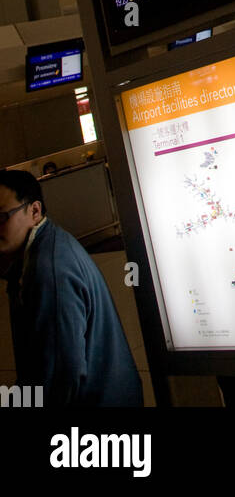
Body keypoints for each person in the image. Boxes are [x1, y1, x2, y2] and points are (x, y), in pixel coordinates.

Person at [0, 169, 142, 406]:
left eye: (2, 217)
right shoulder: (44, 248)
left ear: (35, 211)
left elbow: (59, 376)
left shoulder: (49, 269)